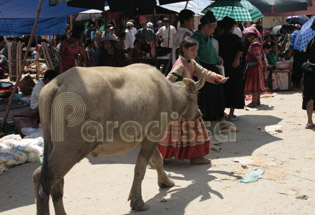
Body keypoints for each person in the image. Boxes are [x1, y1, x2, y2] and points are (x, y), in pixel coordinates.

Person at [158, 37, 227, 165]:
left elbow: (203, 72)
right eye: (192, 50)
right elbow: (168, 80)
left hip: (186, 102)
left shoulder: (191, 62)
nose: (195, 53)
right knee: (194, 129)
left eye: (196, 50)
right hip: (182, 103)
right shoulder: (180, 65)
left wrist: (218, 77)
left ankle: (164, 156)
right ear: (184, 50)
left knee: (176, 131)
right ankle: (195, 157)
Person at [192, 11, 231, 131]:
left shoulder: (208, 37)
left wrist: (218, 58)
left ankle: (221, 120)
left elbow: (211, 52)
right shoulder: (196, 38)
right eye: (213, 28)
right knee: (204, 97)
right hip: (202, 69)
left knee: (218, 94)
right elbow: (195, 56)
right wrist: (199, 72)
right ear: (207, 26)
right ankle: (203, 124)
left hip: (213, 68)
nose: (214, 30)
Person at [219, 17, 244, 121]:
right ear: (232, 27)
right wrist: (237, 59)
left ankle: (223, 113)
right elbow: (241, 48)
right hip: (233, 67)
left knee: (224, 90)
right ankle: (231, 114)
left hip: (223, 67)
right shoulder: (235, 37)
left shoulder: (218, 38)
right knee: (234, 89)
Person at [244, 27, 266, 107]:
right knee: (256, 83)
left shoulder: (255, 45)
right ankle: (257, 100)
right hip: (254, 66)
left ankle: (254, 102)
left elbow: (258, 57)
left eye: (250, 36)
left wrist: (261, 67)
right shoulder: (256, 43)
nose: (248, 38)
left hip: (255, 66)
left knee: (255, 84)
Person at [301, 37, 315, 129]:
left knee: (310, 96)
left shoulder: (311, 40)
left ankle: (309, 121)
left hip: (309, 70)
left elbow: (305, 56)